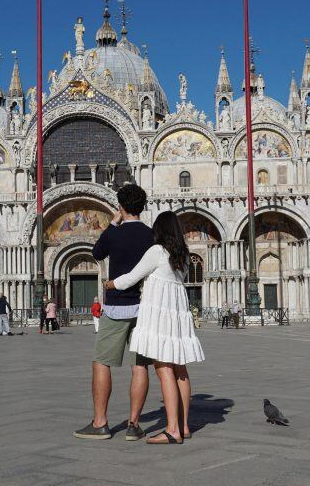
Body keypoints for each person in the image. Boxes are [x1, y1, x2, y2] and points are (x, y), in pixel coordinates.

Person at [104, 211, 205, 444]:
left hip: (160, 318)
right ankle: (184, 426)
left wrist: (111, 283)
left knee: (163, 369)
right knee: (180, 369)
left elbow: (131, 277)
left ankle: (172, 430)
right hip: (177, 317)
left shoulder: (157, 251)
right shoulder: (183, 255)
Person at [73, 184, 154, 442]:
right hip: (144, 307)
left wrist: (112, 224)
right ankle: (133, 425)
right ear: (142, 206)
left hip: (117, 305)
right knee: (139, 365)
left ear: (120, 207)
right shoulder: (151, 235)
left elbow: (96, 253)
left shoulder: (114, 234)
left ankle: (100, 423)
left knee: (102, 362)